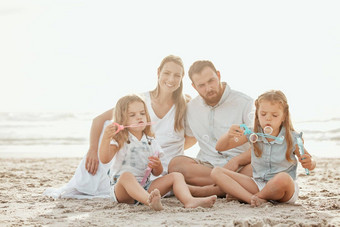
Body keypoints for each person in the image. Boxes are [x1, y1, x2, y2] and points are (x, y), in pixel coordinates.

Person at [44, 55, 192, 198]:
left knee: (182, 183)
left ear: (182, 78)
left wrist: (167, 150)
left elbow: (192, 136)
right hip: (134, 164)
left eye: (177, 75)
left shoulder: (185, 104)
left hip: (160, 166)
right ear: (158, 72)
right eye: (167, 73)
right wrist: (92, 149)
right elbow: (99, 120)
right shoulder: (139, 102)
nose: (171, 79)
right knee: (111, 129)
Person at [100, 94, 217, 210]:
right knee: (126, 176)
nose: (139, 117)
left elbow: (157, 173)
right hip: (123, 191)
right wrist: (106, 138)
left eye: (142, 113)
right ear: (122, 119)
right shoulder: (119, 139)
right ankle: (149, 201)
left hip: (145, 187)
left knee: (176, 176)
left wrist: (157, 165)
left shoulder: (151, 141)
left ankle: (189, 200)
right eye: (132, 115)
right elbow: (104, 159)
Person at [211, 90, 316, 206]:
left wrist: (309, 163)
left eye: (274, 115)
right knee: (216, 172)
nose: (268, 118)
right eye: (263, 114)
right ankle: (252, 199)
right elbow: (220, 147)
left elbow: (311, 163)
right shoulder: (253, 134)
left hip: (283, 190)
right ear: (257, 114)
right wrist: (228, 135)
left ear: (284, 116)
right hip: (258, 184)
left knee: (283, 178)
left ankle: (254, 197)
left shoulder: (292, 138)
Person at [168, 60, 254, 193]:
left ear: (218, 75)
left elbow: (260, 144)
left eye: (211, 81)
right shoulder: (191, 108)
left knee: (260, 166)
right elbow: (190, 138)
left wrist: (236, 161)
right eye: (201, 85)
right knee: (176, 165)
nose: (208, 88)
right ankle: (228, 187)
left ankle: (210, 190)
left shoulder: (245, 103)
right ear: (194, 86)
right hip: (208, 167)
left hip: (240, 166)